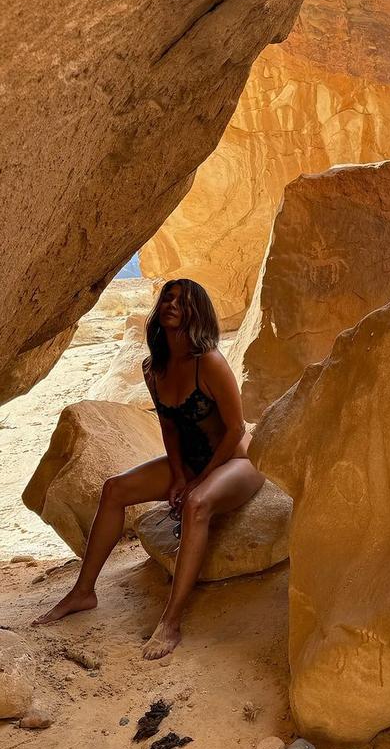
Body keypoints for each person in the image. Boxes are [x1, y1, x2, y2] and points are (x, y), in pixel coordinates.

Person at [33, 278, 265, 659]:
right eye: (168, 298)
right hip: (190, 462)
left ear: (198, 313)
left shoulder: (208, 361)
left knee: (197, 504)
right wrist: (177, 474)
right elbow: (169, 426)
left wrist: (197, 482)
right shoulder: (152, 367)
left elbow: (236, 429)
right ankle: (83, 591)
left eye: (183, 301)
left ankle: (170, 620)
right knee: (114, 488)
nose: (172, 304)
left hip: (236, 459)